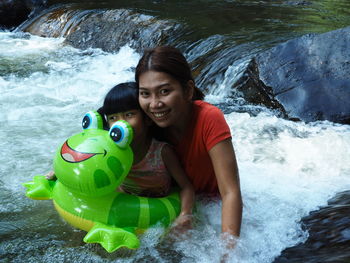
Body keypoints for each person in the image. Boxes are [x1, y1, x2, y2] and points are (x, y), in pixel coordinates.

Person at [135, 46, 243, 243]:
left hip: (209, 204)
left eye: (164, 91)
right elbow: (105, 130)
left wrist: (228, 252)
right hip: (167, 201)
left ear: (187, 90)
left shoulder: (209, 118)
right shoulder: (142, 119)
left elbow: (230, 192)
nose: (154, 104)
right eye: (145, 94)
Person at [98, 82, 195, 229]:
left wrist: (185, 214)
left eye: (129, 115)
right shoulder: (110, 150)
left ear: (147, 118)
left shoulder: (161, 152)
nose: (120, 124)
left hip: (158, 205)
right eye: (113, 118)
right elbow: (90, 166)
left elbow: (186, 187)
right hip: (124, 201)